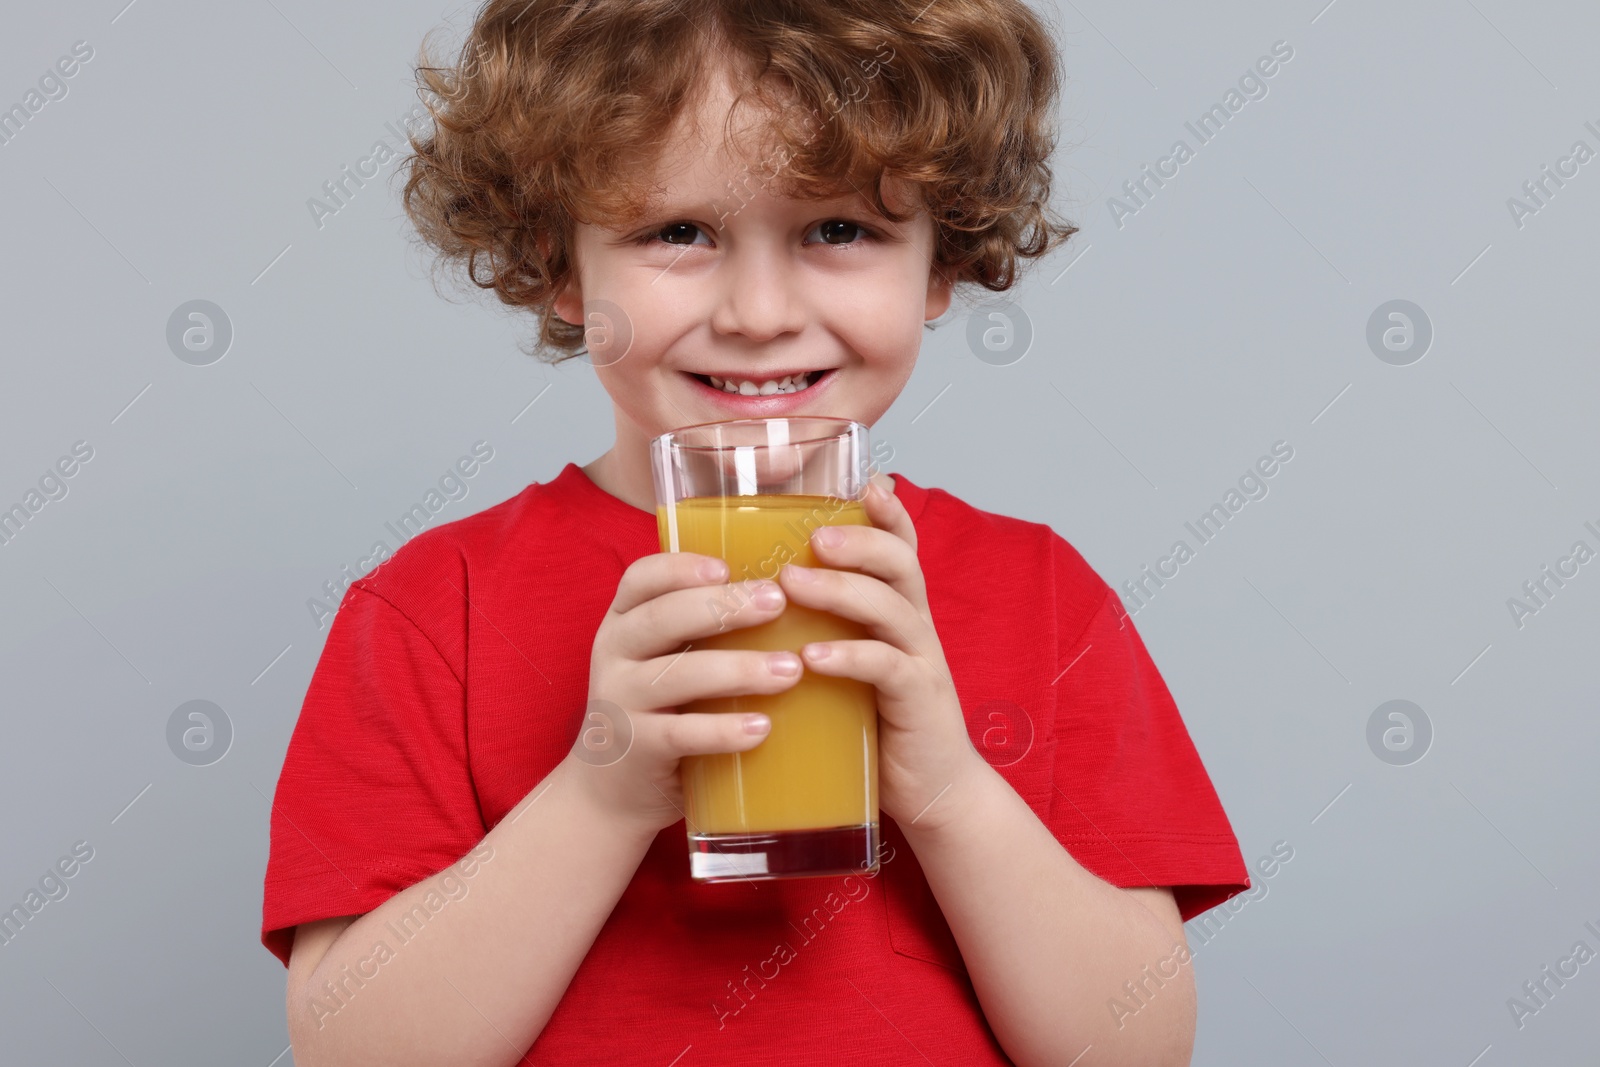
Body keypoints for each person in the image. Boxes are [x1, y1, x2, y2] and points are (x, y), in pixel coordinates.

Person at [260, 1, 1250, 1064]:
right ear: (560, 264)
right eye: (676, 231)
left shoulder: (1042, 594)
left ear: (941, 261)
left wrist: (952, 791)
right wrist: (597, 797)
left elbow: (1135, 1046)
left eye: (839, 229)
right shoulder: (432, 608)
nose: (759, 310)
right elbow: (356, 1049)